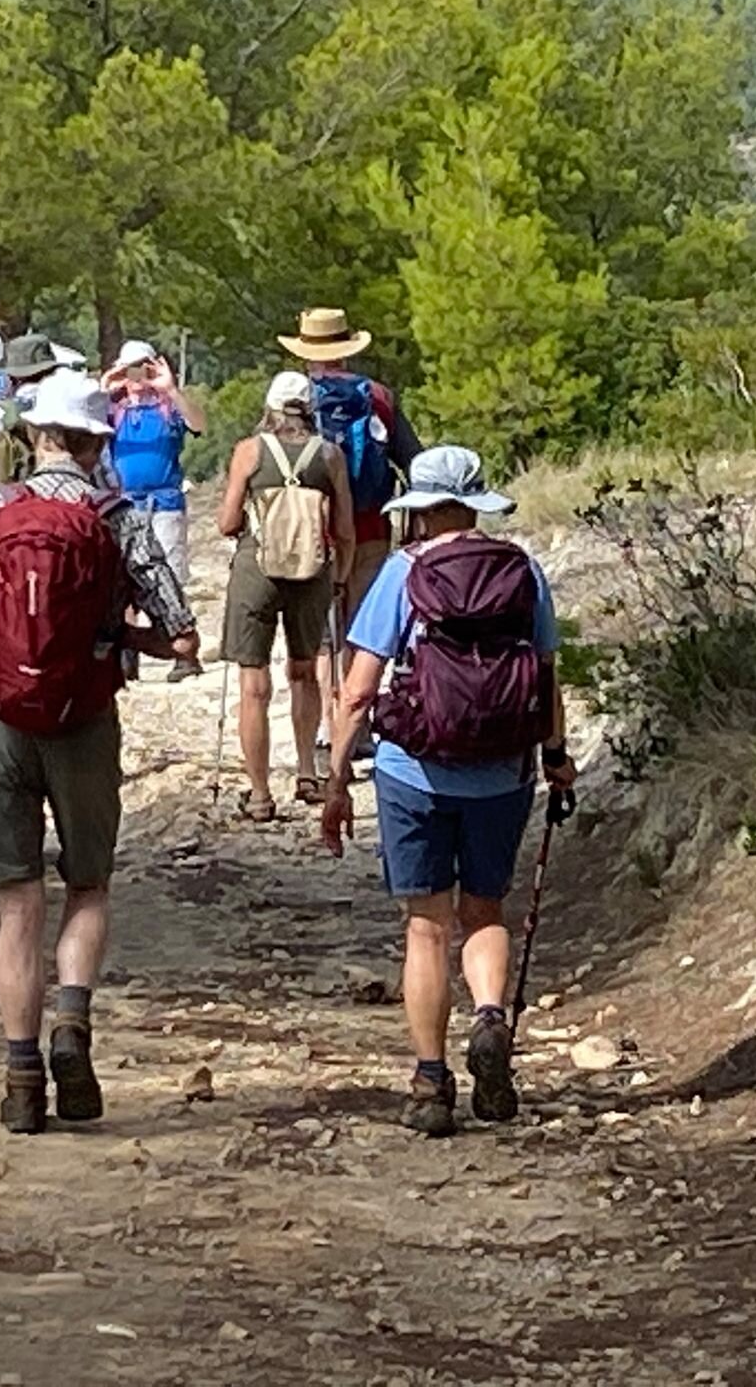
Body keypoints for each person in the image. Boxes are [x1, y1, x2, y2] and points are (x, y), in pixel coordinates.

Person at [0, 371, 199, 1136]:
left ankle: (19, 1077)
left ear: (33, 436)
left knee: (15, 904)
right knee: (89, 884)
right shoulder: (119, 518)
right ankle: (72, 1020)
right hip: (85, 718)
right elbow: (180, 634)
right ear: (99, 442)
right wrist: (116, 640)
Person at [318, 446, 576, 1139]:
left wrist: (337, 780)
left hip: (412, 772)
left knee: (426, 927)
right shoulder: (521, 570)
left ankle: (431, 1081)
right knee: (484, 912)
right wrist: (555, 756)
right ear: (476, 503)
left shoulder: (403, 573)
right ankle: (490, 1018)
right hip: (502, 773)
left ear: (421, 510)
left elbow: (357, 690)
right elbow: (547, 674)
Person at [216, 372, 356, 821]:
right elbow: (346, 531)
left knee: (253, 684)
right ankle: (306, 773)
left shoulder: (250, 451)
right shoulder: (330, 456)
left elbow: (225, 522)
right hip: (312, 573)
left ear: (271, 406)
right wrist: (340, 578)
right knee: (304, 673)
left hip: (257, 569)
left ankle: (258, 795)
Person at [277, 304, 423, 635]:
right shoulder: (379, 396)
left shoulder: (294, 398)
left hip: (312, 525)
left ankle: (323, 688)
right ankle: (356, 687)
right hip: (370, 522)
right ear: (348, 349)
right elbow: (413, 461)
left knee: (319, 632)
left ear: (305, 351)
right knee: (363, 622)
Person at [104, 340, 207, 681]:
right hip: (125, 502)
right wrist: (106, 388)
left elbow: (199, 425)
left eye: (142, 368)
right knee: (123, 581)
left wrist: (171, 389)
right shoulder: (113, 410)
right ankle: (127, 658)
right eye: (130, 369)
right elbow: (85, 425)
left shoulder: (167, 407)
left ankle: (185, 653)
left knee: (171, 578)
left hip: (164, 502)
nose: (137, 377)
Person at [0, 333, 91, 499]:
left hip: (11, 509)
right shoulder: (73, 409)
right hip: (68, 505)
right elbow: (101, 468)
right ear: (53, 371)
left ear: (12, 377)